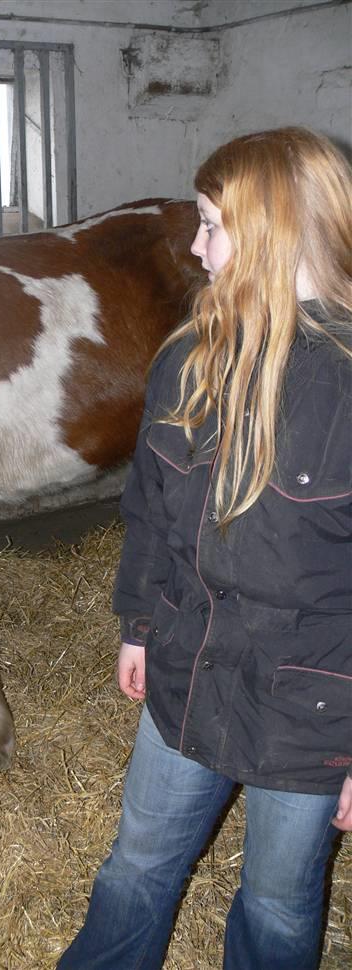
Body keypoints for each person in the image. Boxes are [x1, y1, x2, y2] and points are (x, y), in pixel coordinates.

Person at [57, 127, 352, 970]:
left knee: (279, 909)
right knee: (136, 869)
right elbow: (150, 509)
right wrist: (139, 623)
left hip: (312, 709)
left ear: (275, 233)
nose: (195, 244)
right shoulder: (188, 358)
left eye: (212, 225)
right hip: (187, 673)